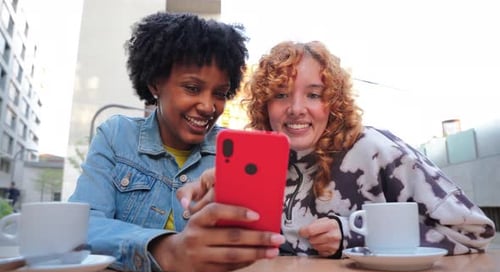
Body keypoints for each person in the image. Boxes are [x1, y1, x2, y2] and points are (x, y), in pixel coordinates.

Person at [179, 40, 496, 259]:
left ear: (334, 102)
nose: (296, 109)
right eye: (281, 95)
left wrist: (353, 235)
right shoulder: (258, 160)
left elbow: (474, 230)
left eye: (314, 95)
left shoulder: (376, 149)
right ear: (264, 104)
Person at [69, 12, 284, 272]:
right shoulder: (116, 136)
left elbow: (261, 241)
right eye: (192, 88)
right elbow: (81, 227)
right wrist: (167, 250)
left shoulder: (233, 155)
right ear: (155, 84)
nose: (208, 106)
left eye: (219, 93)